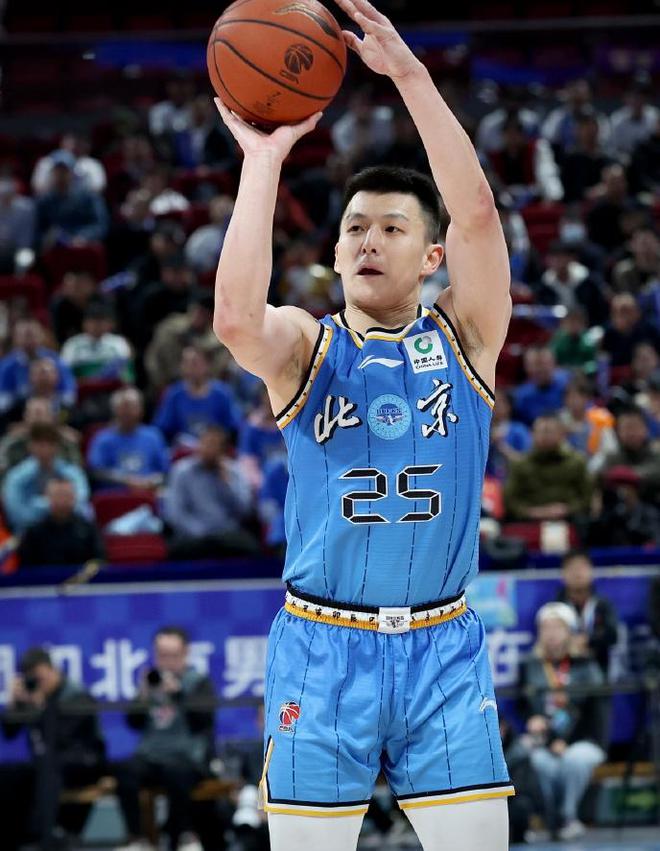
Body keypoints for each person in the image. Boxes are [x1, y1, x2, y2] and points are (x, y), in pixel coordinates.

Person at [212, 0, 514, 847]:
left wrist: (410, 77)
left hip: (442, 643)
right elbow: (234, 319)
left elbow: (478, 214)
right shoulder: (306, 348)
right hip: (321, 646)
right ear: (336, 254)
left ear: (433, 256)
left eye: (392, 227)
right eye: (355, 229)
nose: (370, 240)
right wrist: (264, 160)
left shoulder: (468, 335)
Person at [114, 626, 216, 851]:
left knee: (177, 774)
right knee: (124, 771)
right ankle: (137, 838)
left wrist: (179, 693)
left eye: (173, 656)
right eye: (162, 656)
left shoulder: (198, 682)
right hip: (151, 756)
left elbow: (203, 721)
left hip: (186, 757)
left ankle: (179, 838)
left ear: (186, 653)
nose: (167, 662)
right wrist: (143, 695)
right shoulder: (151, 682)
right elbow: (133, 722)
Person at [0, 647, 106, 851]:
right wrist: (14, 704)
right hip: (46, 764)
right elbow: (9, 732)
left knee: (49, 768)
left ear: (52, 670)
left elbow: (59, 738)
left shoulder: (76, 696)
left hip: (84, 762)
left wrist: (43, 708)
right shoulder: (32, 696)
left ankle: (45, 839)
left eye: (40, 678)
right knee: (9, 774)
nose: (38, 684)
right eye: (32, 679)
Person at [518, 602, 608, 840]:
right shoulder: (531, 665)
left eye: (557, 627)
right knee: (538, 761)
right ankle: (550, 819)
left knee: (574, 760)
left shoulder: (586, 665)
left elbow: (586, 711)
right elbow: (523, 707)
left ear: (570, 631)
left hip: (583, 739)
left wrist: (563, 741)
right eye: (546, 628)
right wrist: (535, 724)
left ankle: (569, 817)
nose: (551, 634)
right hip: (545, 741)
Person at [162, 426, 259, 559]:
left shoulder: (234, 472)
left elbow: (244, 511)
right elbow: (175, 513)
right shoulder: (181, 472)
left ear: (223, 450)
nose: (208, 449)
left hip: (227, 533)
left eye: (214, 445)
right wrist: (200, 532)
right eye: (205, 443)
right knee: (177, 548)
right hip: (193, 536)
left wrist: (227, 484)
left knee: (250, 547)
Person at [1, 422, 90, 533]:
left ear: (57, 446)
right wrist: (55, 505)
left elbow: (81, 505)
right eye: (40, 444)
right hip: (29, 534)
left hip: (68, 532)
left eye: (49, 444)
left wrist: (38, 504)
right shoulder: (15, 477)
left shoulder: (73, 473)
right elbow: (16, 515)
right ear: (30, 446)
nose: (45, 449)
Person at [503, 414, 592, 524]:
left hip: (570, 520)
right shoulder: (520, 465)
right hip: (530, 521)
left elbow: (587, 497)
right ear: (532, 434)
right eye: (541, 431)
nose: (545, 436)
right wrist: (533, 512)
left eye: (549, 431)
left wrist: (568, 509)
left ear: (562, 434)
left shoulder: (577, 462)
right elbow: (510, 501)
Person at [153, 346, 242, 448]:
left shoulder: (222, 393)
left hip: (216, 450)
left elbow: (235, 426)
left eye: (195, 363)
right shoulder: (174, 394)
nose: (190, 368)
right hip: (183, 451)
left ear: (207, 365)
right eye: (186, 363)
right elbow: (161, 428)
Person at [87, 387, 169, 490]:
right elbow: (96, 472)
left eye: (133, 407)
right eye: (124, 407)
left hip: (149, 492)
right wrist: (125, 480)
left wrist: (152, 481)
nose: (129, 412)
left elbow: (166, 472)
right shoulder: (103, 439)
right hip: (115, 494)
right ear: (115, 410)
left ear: (141, 409)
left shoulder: (153, 436)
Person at [556, 550, 619, 674]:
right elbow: (546, 640)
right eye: (572, 568)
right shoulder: (555, 607)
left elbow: (612, 635)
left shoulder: (603, 605)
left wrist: (588, 640)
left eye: (582, 567)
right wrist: (569, 643)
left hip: (599, 669)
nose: (577, 573)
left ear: (591, 572)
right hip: (562, 673)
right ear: (563, 574)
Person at [18, 477, 105, 568]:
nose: (62, 500)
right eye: (58, 495)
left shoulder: (89, 529)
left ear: (74, 497)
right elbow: (26, 567)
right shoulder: (34, 532)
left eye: (66, 495)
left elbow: (99, 561)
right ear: (47, 497)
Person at [0, 396, 81, 478]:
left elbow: (76, 471)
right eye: (34, 414)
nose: (38, 419)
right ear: (25, 417)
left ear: (52, 417)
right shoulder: (12, 443)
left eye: (41, 414)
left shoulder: (66, 443)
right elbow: (3, 470)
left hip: (61, 483)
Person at [60, 300, 134, 381]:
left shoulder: (118, 342)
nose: (97, 326)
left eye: (101, 322)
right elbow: (65, 372)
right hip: (82, 385)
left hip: (112, 385)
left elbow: (127, 371)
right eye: (93, 322)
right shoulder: (72, 344)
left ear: (109, 324)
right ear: (84, 323)